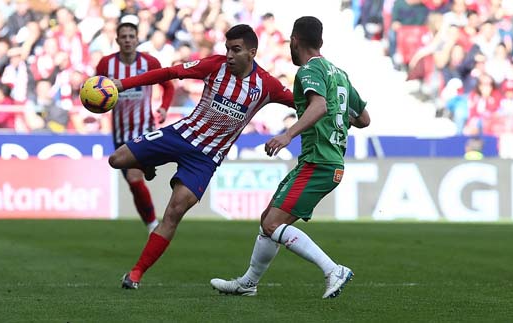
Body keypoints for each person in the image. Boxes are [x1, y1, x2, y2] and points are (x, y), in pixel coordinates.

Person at [109, 24, 294, 290]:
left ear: (252, 52)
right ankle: (148, 163)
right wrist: (122, 84)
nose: (229, 55)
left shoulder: (267, 85)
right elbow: (171, 72)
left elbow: (303, 102)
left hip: (205, 159)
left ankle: (136, 273)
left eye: (236, 50)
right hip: (180, 135)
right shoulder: (214, 66)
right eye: (227, 48)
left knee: (173, 213)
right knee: (117, 159)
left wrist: (343, 113)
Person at [209, 16, 371, 299]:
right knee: (268, 220)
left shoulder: (309, 71)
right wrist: (339, 115)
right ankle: (248, 283)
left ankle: (333, 270)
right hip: (322, 160)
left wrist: (287, 135)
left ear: (295, 40)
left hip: (319, 161)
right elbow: (364, 119)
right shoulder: (339, 73)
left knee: (272, 224)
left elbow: (319, 105)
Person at [97, 21, 175, 233]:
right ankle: (146, 168)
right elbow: (95, 93)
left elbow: (168, 85)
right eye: (124, 36)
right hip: (120, 133)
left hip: (144, 130)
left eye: (132, 36)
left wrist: (164, 108)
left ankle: (152, 226)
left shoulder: (149, 62)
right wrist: (98, 106)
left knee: (133, 177)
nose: (128, 40)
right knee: (134, 184)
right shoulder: (106, 64)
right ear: (117, 40)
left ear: (137, 39)